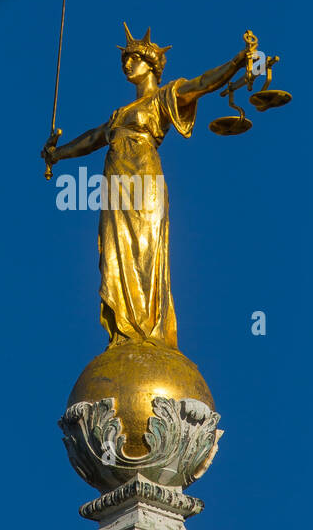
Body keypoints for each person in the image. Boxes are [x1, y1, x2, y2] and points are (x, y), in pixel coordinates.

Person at [41, 25, 249, 348]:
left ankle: (148, 328)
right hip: (115, 182)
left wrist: (237, 62)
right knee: (113, 251)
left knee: (147, 247)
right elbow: (93, 139)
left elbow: (205, 83)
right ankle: (123, 331)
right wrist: (58, 153)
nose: (127, 64)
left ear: (151, 64)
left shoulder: (164, 98)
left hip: (144, 177)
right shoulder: (119, 115)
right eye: (124, 59)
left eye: (134, 58)